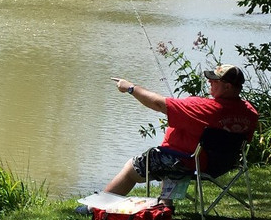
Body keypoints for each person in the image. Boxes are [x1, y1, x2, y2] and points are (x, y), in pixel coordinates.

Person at [104, 64, 259, 198]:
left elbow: (158, 104)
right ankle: (166, 204)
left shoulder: (204, 108)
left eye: (215, 80)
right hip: (222, 166)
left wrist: (130, 88)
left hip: (189, 163)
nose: (209, 81)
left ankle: (97, 207)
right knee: (169, 150)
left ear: (228, 87)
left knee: (132, 168)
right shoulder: (250, 113)